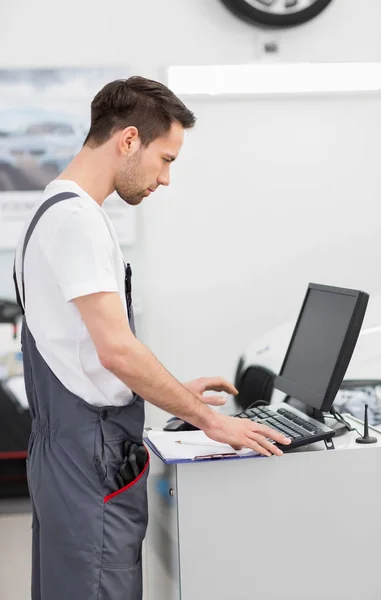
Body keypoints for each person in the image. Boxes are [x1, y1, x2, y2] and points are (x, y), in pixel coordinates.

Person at [13, 76, 291, 600]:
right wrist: (209, 420)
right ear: (129, 140)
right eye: (166, 159)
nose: (165, 179)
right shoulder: (77, 221)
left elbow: (78, 355)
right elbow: (116, 350)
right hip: (87, 457)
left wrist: (177, 393)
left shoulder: (54, 211)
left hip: (67, 448)